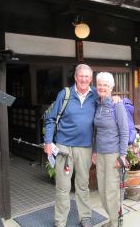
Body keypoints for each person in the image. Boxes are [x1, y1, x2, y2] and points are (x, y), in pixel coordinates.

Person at [44, 64, 97, 227]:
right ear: (75, 77)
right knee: (63, 186)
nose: (84, 79)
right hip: (64, 146)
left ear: (91, 79)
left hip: (85, 147)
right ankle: (60, 221)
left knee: (83, 184)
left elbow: (110, 106)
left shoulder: (96, 94)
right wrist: (48, 142)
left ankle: (85, 217)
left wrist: (118, 99)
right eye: (81, 76)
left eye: (87, 76)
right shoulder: (65, 94)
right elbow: (51, 119)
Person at [92, 72, 129, 227]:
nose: (102, 87)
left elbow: (124, 131)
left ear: (111, 87)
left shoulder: (117, 105)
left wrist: (122, 156)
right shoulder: (98, 104)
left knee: (112, 191)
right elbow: (95, 131)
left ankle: (115, 223)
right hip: (100, 154)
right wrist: (94, 151)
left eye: (106, 85)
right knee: (102, 190)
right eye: (100, 84)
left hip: (113, 155)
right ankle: (112, 219)